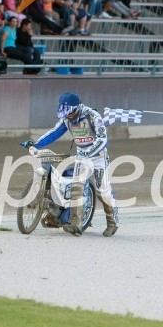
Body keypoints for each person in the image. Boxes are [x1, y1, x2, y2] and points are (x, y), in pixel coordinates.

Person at [22, 92, 119, 237]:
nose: (68, 116)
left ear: (77, 107)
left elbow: (103, 139)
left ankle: (112, 223)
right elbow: (54, 133)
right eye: (65, 113)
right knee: (76, 187)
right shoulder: (66, 119)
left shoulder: (92, 116)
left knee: (103, 192)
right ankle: (75, 224)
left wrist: (89, 152)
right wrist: (35, 144)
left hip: (99, 158)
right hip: (82, 158)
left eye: (70, 112)